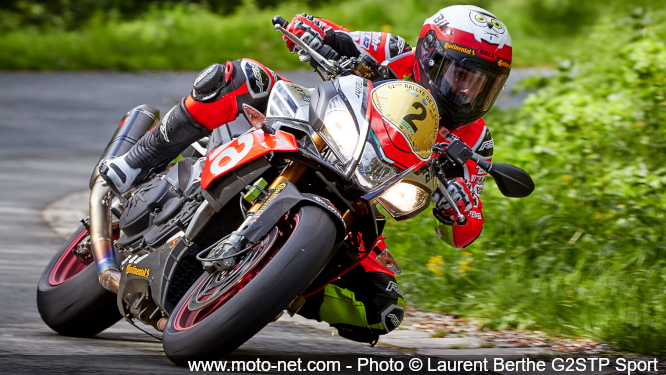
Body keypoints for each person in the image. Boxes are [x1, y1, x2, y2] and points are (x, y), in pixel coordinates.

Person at [99, 5, 513, 344]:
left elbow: (464, 231)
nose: (466, 92)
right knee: (240, 77)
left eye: (482, 84)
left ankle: (264, 286)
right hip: (318, 132)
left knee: (380, 309)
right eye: (459, 74)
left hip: (368, 197)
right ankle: (138, 159)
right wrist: (316, 33)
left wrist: (459, 206)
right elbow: (331, 32)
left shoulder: (477, 143)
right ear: (427, 55)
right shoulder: (391, 50)